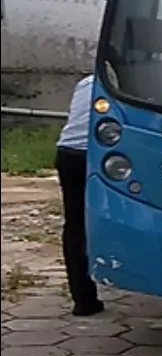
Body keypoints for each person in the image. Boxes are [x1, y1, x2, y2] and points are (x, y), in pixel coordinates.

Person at [55, 74, 104, 316]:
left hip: (67, 152)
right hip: (96, 154)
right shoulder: (129, 84)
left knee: (74, 225)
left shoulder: (85, 82)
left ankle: (83, 299)